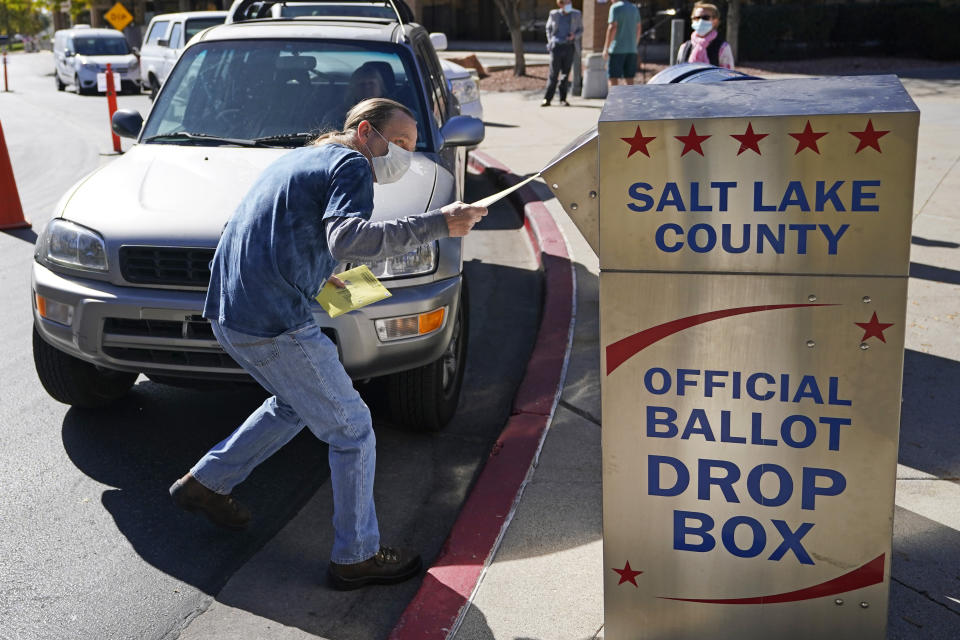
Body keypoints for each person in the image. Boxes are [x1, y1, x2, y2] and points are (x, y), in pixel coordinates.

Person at [169, 98, 487, 590]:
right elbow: (348, 240)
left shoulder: (301, 158)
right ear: (365, 132)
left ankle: (206, 483)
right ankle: (356, 556)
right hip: (273, 322)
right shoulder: (351, 165)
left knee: (294, 406)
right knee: (353, 428)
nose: (403, 155)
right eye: (398, 143)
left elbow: (300, 253)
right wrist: (439, 224)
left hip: (231, 313)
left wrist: (363, 293)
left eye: (411, 146)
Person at [542, 0, 582, 107]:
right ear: (560, 4)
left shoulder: (576, 14)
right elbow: (548, 28)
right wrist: (550, 41)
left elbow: (581, 29)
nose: (569, 4)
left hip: (569, 46)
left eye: (570, 2)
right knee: (553, 74)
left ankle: (563, 99)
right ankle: (547, 98)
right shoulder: (554, 14)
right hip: (556, 47)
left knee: (565, 74)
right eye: (566, 2)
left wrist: (574, 36)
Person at [676, 2, 735, 69]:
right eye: (697, 18)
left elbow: (728, 76)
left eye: (705, 17)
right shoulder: (684, 47)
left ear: (715, 21)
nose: (700, 21)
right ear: (692, 21)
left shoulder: (723, 47)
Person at [603, 0, 642, 87]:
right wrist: (635, 45)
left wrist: (606, 48)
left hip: (616, 49)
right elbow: (638, 27)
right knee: (629, 79)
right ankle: (629, 100)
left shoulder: (615, 7)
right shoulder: (634, 8)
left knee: (613, 79)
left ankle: (614, 100)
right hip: (632, 50)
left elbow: (612, 27)